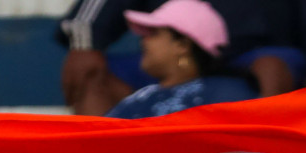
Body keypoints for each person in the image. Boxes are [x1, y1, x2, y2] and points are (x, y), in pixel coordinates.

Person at [59, 0, 306, 116]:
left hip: (256, 56)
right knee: (90, 72)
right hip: (176, 60)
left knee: (272, 66)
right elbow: (91, 18)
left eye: (150, 33)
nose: (144, 39)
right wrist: (85, 45)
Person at [107, 0, 257, 118]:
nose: (143, 41)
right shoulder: (141, 98)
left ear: (183, 45)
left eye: (153, 34)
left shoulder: (228, 95)